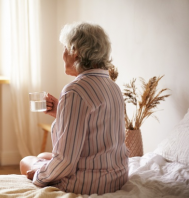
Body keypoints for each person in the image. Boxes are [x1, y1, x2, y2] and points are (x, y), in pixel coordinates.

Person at [20, 22, 129, 195]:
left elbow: (66, 160)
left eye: (65, 48)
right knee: (42, 156)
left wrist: (38, 176)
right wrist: (60, 112)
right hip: (117, 177)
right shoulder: (112, 86)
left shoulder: (75, 90)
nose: (63, 55)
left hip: (90, 183)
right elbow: (97, 126)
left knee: (27, 161)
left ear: (75, 51)